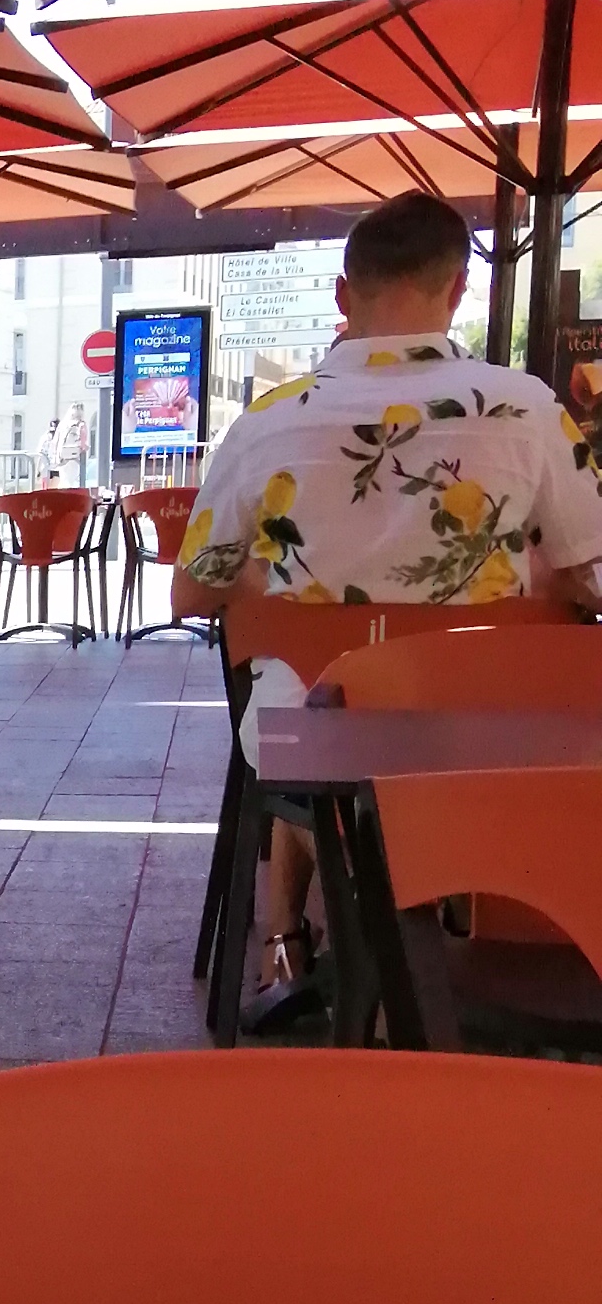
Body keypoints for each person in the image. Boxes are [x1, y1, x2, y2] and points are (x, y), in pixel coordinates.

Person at [174, 189, 602, 1000]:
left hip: (312, 744)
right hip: (485, 736)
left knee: (319, 708)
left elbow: (192, 592)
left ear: (343, 295)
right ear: (458, 290)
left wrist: (279, 590)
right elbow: (592, 571)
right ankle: (450, 944)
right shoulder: (526, 410)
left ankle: (296, 939)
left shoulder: (267, 423)